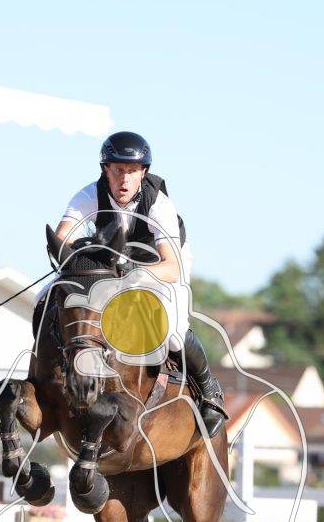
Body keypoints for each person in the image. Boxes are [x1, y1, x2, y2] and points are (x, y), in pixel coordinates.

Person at [50, 131, 227, 438]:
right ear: (106, 170)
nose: (124, 179)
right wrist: (82, 262)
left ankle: (209, 390)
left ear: (143, 172)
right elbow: (63, 237)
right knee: (47, 297)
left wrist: (133, 272)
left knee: (173, 332)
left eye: (132, 171)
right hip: (110, 265)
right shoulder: (89, 195)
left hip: (158, 263)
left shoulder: (159, 204)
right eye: (118, 170)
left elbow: (171, 266)